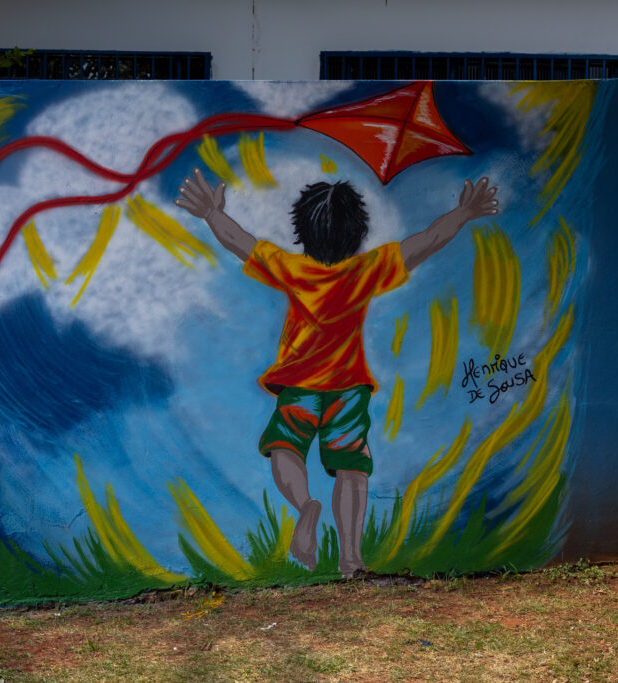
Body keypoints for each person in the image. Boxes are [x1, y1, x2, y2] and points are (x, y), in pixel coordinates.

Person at [175, 169, 498, 577]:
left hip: (298, 386)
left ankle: (306, 504)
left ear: (301, 231)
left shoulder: (290, 268)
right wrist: (464, 212)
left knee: (285, 448)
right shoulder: (367, 270)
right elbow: (427, 241)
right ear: (358, 233)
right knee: (352, 467)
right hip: (347, 389)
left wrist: (211, 213)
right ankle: (352, 561)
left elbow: (238, 241)